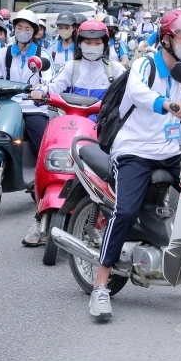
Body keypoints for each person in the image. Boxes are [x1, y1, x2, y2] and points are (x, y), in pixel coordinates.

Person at [87, 9, 181, 320]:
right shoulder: (144, 65)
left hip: (168, 150)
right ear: (167, 39)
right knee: (125, 211)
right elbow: (140, 95)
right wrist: (168, 104)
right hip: (133, 151)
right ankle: (100, 285)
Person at [24, 20, 126, 245]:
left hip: (103, 131)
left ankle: (104, 219)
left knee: (110, 172)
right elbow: (54, 86)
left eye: (97, 42)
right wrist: (40, 91)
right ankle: (39, 219)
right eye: (87, 42)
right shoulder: (73, 67)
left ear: (105, 43)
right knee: (51, 161)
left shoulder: (115, 69)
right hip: (72, 127)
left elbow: (129, 92)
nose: (92, 46)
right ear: (80, 44)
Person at [0, 9, 55, 159]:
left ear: (34, 31)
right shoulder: (5, 53)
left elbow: (50, 80)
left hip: (32, 106)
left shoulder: (43, 54)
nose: (22, 31)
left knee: (43, 148)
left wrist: (41, 90)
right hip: (7, 104)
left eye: (27, 29)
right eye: (19, 28)